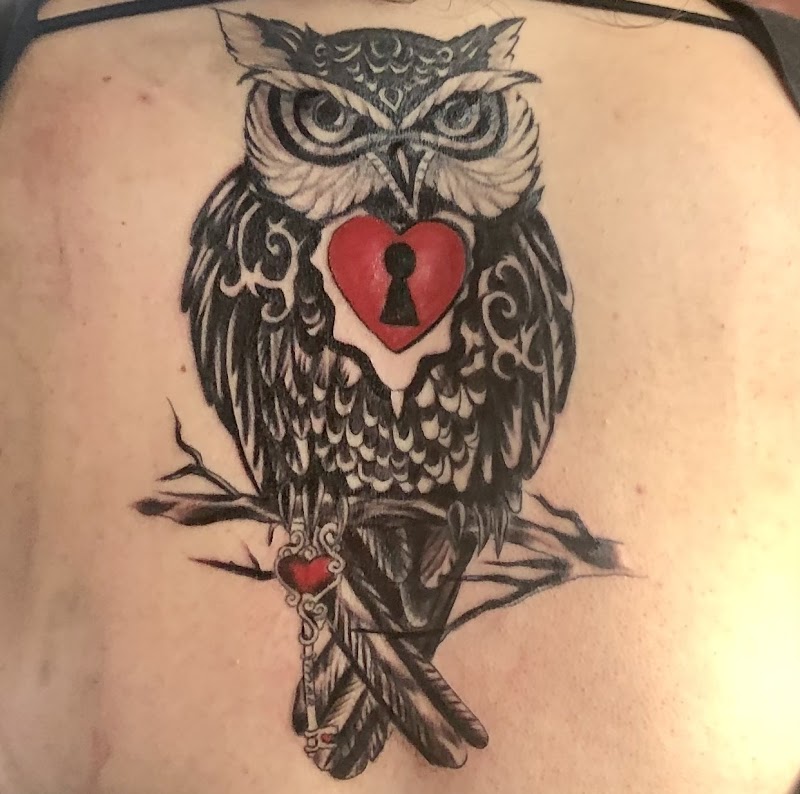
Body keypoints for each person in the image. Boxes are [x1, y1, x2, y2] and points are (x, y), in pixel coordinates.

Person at [0, 1, 798, 792]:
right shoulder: (244, 231)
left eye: (456, 119)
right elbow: (249, 385)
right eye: (330, 119)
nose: (403, 166)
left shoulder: (538, 234)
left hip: (456, 506)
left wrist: (472, 511)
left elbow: (526, 400)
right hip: (314, 486)